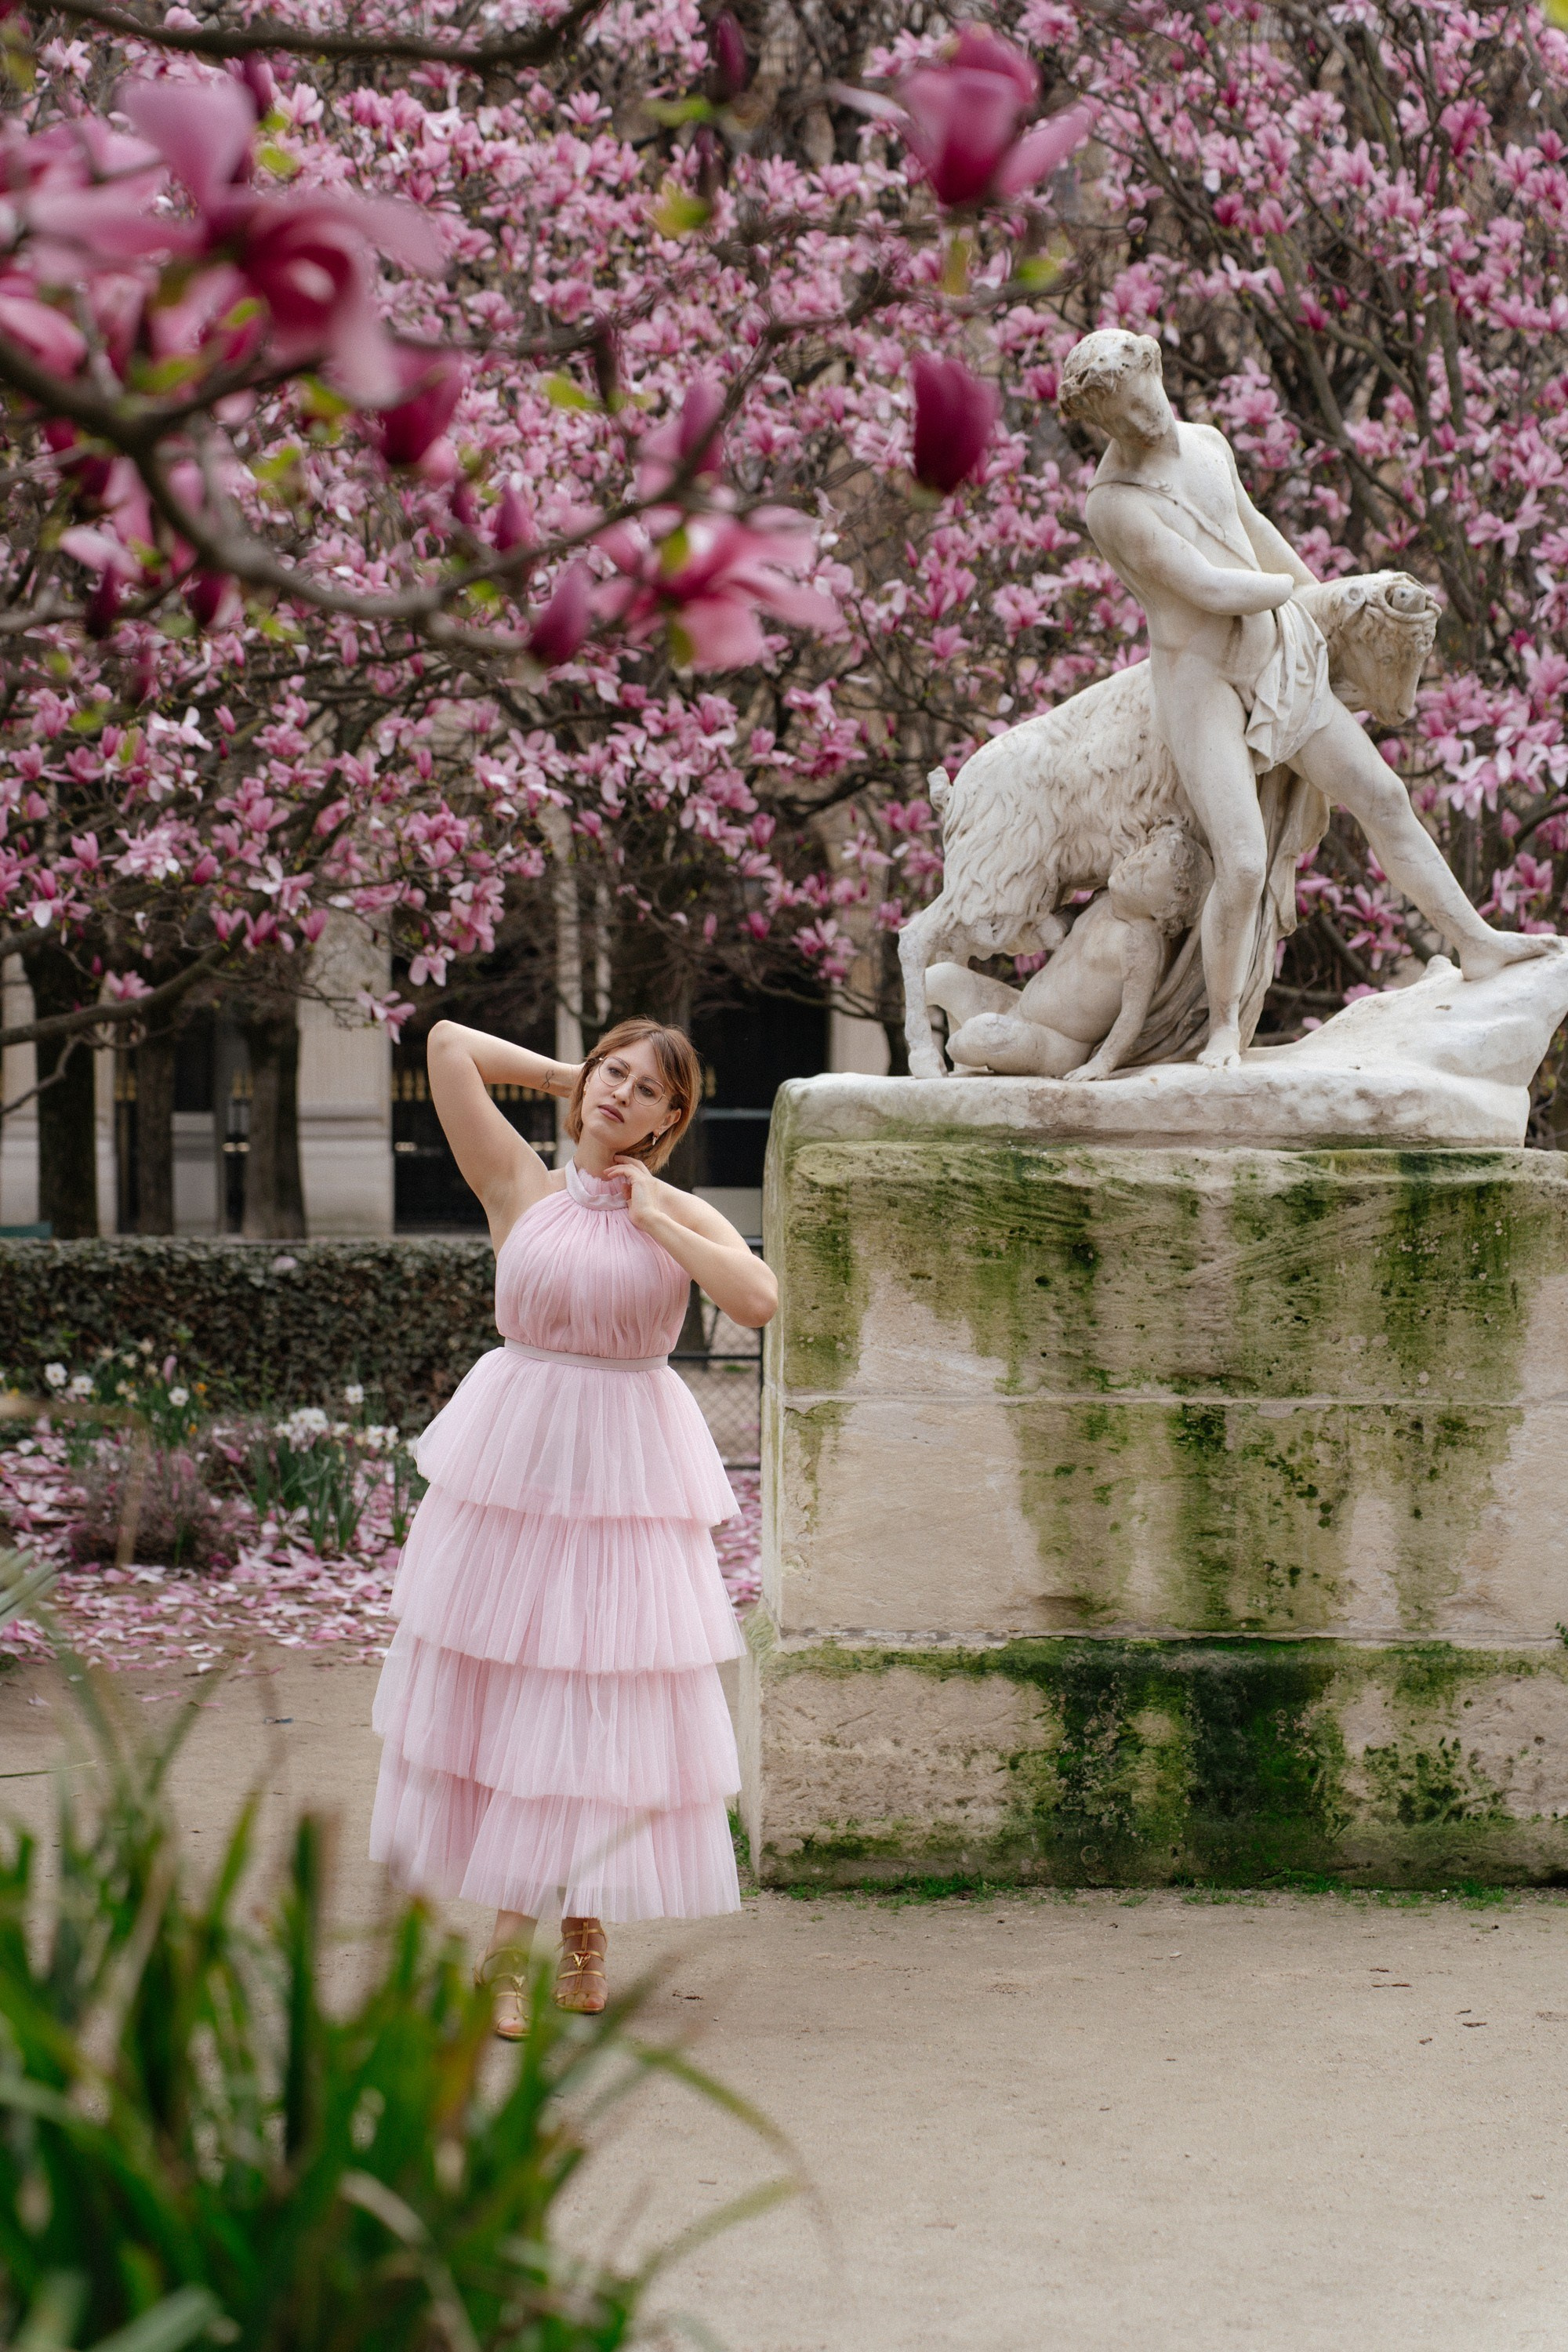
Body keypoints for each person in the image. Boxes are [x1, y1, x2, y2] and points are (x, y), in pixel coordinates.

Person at [368, 1015, 778, 2036]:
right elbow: (450, 1047)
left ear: (671, 1119)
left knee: (597, 1703)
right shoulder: (520, 1186)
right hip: (518, 1474)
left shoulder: (675, 1208)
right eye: (615, 1074)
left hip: (625, 1484)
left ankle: (582, 1928)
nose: (619, 1096)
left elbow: (759, 1299)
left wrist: (655, 1214)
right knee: (522, 1701)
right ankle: (511, 1948)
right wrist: (571, 1078)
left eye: (646, 1092)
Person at [1058, 328, 1552, 1069]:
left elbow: (1251, 529)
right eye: (1124, 418)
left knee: (1384, 796)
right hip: (1202, 682)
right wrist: (1326, 598)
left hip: (1274, 651)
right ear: (1103, 424)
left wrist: (1320, 604)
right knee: (1244, 863)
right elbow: (1208, 587)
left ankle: (1476, 943)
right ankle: (1222, 1023)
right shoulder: (1113, 506)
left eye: (1146, 400)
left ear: (1158, 374)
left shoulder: (1206, 442)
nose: (1145, 421)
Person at [931, 821, 1210, 1080]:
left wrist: (1102, 1063)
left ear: (1165, 910)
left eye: (1145, 876)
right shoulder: (1103, 900)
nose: (1132, 867)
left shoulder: (1140, 944)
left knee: (983, 1034)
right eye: (1141, 857)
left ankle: (964, 1056)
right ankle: (967, 1054)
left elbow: (1132, 1016)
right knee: (939, 977)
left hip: (1051, 1045)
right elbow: (1065, 924)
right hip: (1014, 1007)